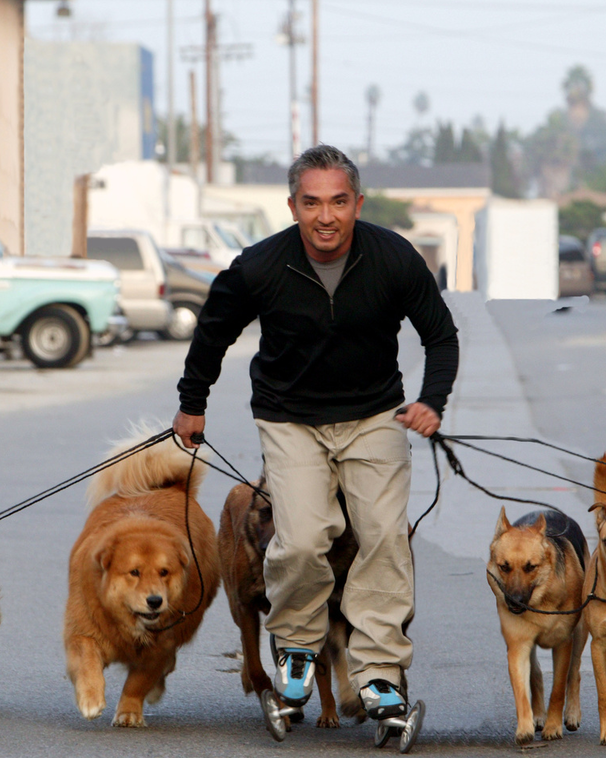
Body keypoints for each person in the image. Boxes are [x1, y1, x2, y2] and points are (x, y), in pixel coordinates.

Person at [173, 144, 459, 723]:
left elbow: (441, 335)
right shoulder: (259, 265)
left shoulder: (394, 258)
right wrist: (191, 403)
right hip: (289, 418)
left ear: (357, 203)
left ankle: (378, 672)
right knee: (302, 539)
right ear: (292, 206)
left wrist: (432, 400)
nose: (324, 216)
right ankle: (299, 650)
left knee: (383, 538)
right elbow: (213, 331)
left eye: (337, 202)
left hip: (375, 415)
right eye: (311, 203)